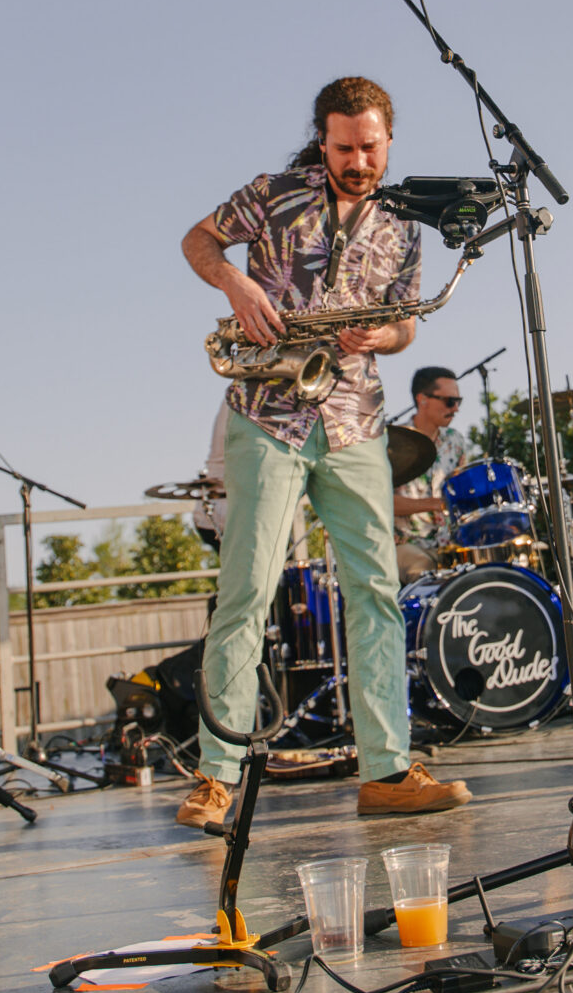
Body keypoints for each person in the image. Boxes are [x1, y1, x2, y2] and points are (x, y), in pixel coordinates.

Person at [176, 77, 471, 827]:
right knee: (245, 592)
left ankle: (387, 771)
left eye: (370, 147)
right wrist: (236, 283)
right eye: (344, 148)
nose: (358, 161)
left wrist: (385, 335)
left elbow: (406, 325)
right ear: (322, 140)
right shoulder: (274, 193)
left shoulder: (404, 223)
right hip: (266, 415)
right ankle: (216, 776)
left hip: (356, 421)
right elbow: (198, 239)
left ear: (389, 140)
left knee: (376, 594)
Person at [391, 365, 471, 581]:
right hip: (404, 543)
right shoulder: (392, 443)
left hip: (448, 543)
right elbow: (381, 502)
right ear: (422, 399)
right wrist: (434, 504)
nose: (456, 409)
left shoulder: (456, 441)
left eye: (458, 401)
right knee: (424, 569)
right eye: (450, 401)